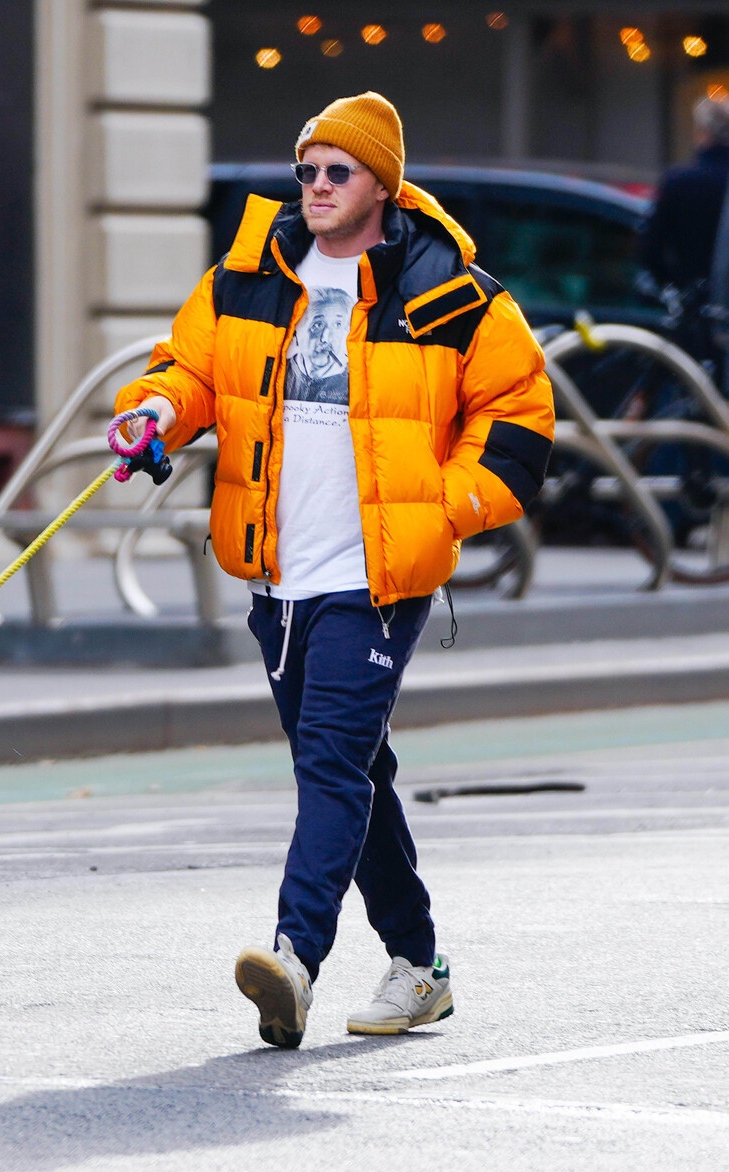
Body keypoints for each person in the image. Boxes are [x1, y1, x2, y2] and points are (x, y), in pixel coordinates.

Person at [113, 92, 554, 1048]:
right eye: (305, 170)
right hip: (278, 578)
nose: (314, 186)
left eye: (335, 171)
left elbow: (520, 421)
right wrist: (151, 412)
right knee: (355, 773)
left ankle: (293, 957)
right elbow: (186, 369)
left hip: (378, 579)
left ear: (380, 183)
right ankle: (419, 965)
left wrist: (445, 510)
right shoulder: (250, 270)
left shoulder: (449, 288)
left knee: (330, 763)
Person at [639, 93, 729, 367]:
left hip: (690, 311)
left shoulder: (679, 182)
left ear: (701, 132)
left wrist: (673, 284)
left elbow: (648, 250)